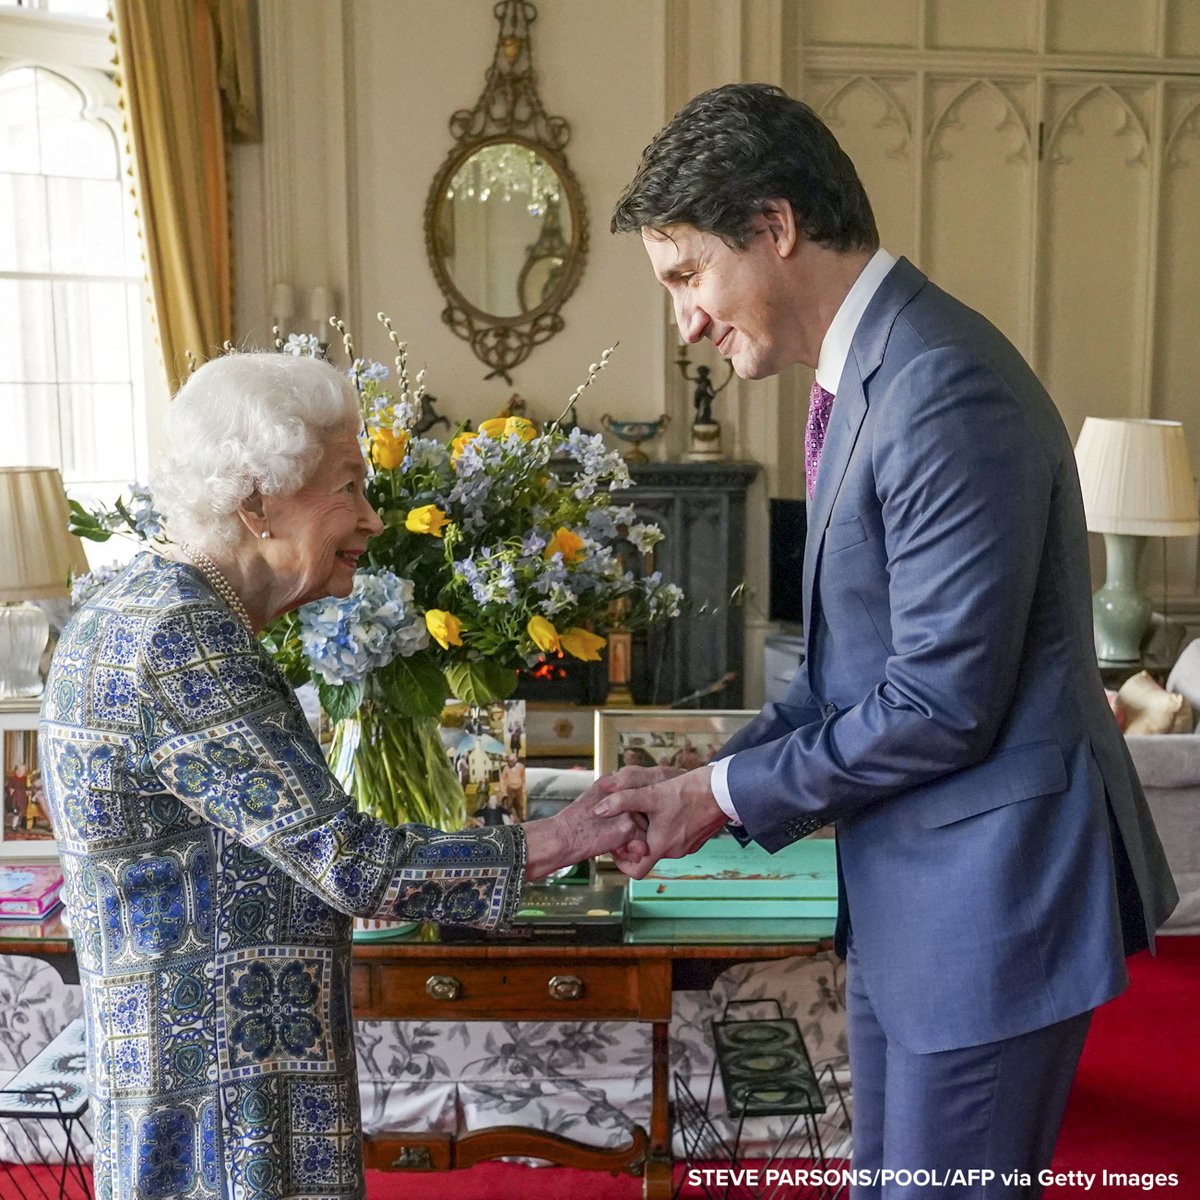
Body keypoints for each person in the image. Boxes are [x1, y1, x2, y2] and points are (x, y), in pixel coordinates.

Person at [600, 83, 1178, 1198]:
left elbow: (939, 705)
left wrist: (720, 797)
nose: (685, 322)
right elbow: (845, 675)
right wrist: (700, 775)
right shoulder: (871, 374)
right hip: (918, 894)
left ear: (774, 228)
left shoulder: (941, 384)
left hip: (989, 907)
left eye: (687, 276)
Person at [38, 352, 644, 1200]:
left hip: (185, 1081)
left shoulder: (131, 604)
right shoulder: (183, 640)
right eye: (349, 487)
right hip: (229, 1105)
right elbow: (354, 864)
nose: (371, 518)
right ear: (256, 502)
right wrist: (560, 838)